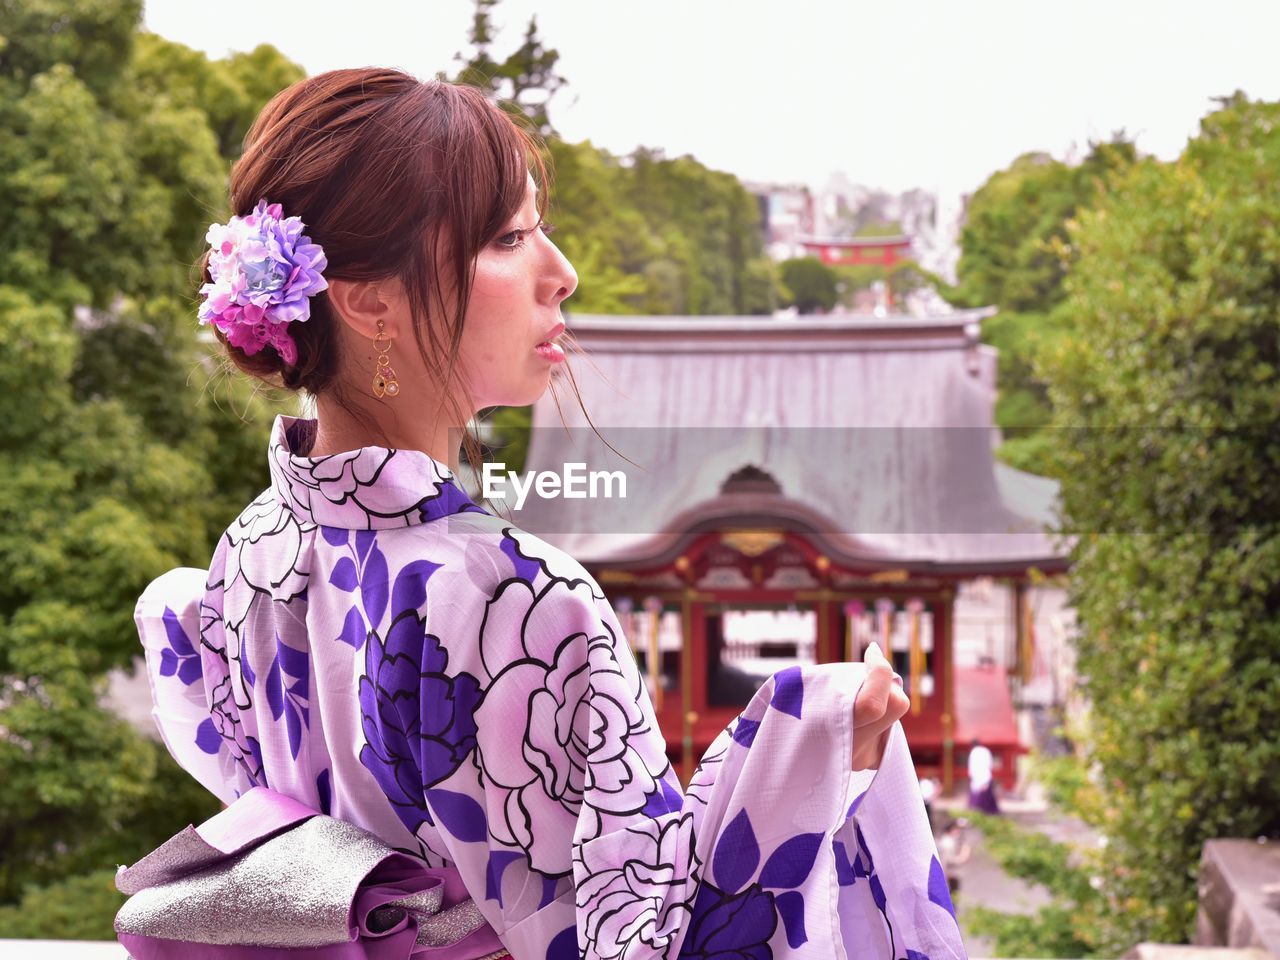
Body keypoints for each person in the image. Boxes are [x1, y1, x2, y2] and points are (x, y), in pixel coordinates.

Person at [131, 68, 966, 959]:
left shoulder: (251, 551)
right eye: (508, 238)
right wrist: (817, 732)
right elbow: (643, 935)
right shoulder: (519, 602)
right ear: (369, 299)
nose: (560, 273)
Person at [936, 819, 972, 898]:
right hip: (949, 874)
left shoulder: (949, 841)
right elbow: (948, 860)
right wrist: (962, 857)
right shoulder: (947, 842)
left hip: (950, 874)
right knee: (952, 897)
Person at [967, 737, 1001, 814]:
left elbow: (972, 767)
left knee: (977, 801)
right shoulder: (986, 751)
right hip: (986, 776)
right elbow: (990, 765)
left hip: (977, 777)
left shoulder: (973, 753)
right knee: (988, 799)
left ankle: (978, 814)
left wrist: (972, 777)